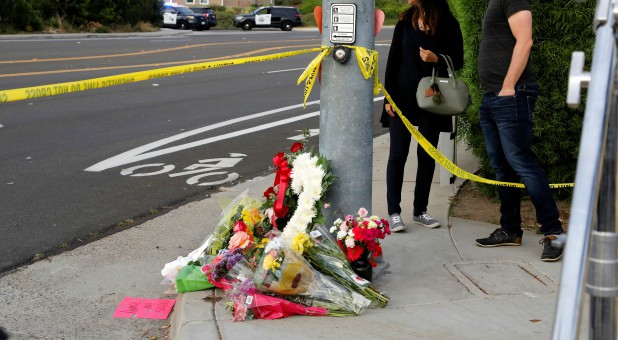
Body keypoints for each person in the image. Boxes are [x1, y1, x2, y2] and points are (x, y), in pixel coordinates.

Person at [475, 0, 564, 261]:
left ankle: (554, 233)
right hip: (493, 97)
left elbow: (525, 41)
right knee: (503, 166)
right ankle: (510, 230)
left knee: (522, 162)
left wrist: (508, 87)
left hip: (510, 95)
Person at [381, 0, 464, 232]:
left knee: (426, 155)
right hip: (401, 98)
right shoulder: (405, 21)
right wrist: (387, 99)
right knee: (397, 154)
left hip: (432, 98)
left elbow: (459, 59)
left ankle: (420, 211)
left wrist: (437, 59)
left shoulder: (447, 22)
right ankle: (394, 213)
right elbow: (393, 61)